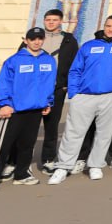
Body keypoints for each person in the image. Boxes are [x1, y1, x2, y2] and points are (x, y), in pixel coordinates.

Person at [47, 16, 112, 185]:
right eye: (108, 26)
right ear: (104, 26)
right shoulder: (89, 45)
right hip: (85, 96)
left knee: (104, 134)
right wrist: (74, 93)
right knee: (73, 133)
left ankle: (95, 165)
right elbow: (75, 69)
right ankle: (63, 166)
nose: (110, 29)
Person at [0, 29, 52, 192]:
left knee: (27, 145)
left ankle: (22, 174)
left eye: (40, 38)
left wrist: (48, 102)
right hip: (13, 109)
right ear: (26, 40)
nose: (36, 42)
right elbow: (3, 83)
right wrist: (4, 103)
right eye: (33, 39)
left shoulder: (48, 60)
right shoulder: (14, 60)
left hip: (35, 109)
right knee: (2, 146)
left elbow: (48, 83)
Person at [36, 9, 78, 172]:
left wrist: (67, 84)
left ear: (60, 21)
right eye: (48, 20)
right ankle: (14, 161)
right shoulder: (35, 38)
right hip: (34, 89)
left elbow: (75, 64)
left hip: (56, 89)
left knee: (51, 127)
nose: (51, 22)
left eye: (54, 20)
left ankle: (48, 159)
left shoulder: (68, 40)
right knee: (26, 127)